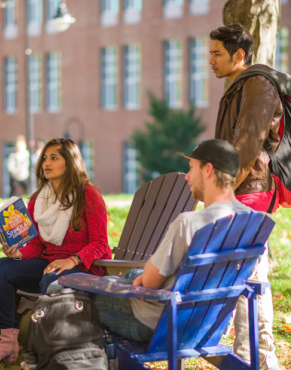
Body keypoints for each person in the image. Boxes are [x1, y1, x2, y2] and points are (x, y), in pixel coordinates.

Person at [91, 139, 251, 344]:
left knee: (81, 294)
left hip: (159, 322)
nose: (187, 176)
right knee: (131, 276)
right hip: (210, 323)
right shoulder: (251, 221)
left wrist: (148, 272)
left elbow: (150, 282)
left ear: (208, 170)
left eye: (192, 168)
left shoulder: (189, 223)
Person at [0, 138, 111, 363]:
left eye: (54, 158)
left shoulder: (88, 194)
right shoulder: (38, 200)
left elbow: (100, 243)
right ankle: (8, 343)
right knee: (0, 268)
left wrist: (72, 260)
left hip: (84, 268)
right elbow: (39, 244)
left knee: (51, 280)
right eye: (44, 159)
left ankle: (49, 346)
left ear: (69, 162)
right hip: (48, 263)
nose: (46, 164)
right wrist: (19, 254)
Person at [209, 23, 284, 370]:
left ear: (239, 55)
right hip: (241, 188)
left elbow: (248, 144)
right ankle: (259, 354)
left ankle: (255, 357)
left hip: (249, 189)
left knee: (248, 273)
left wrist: (222, 192)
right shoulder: (242, 85)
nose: (209, 60)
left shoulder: (257, 85)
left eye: (216, 53)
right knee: (247, 271)